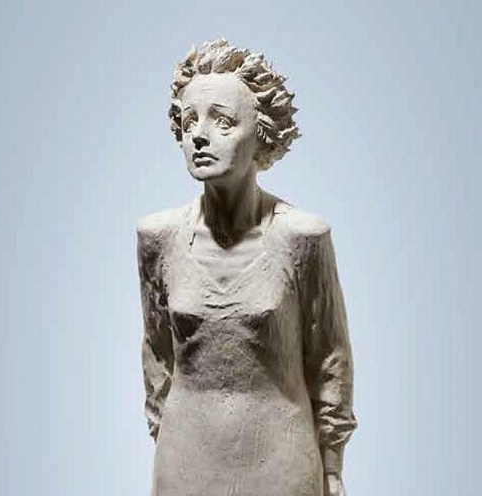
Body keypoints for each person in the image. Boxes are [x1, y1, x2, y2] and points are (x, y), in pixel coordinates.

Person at [137, 39, 357, 496]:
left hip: (281, 455)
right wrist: (164, 437)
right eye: (188, 121)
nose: (199, 135)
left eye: (221, 121)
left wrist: (332, 466)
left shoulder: (303, 238)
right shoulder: (158, 237)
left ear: (261, 132)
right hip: (185, 458)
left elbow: (329, 358)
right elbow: (157, 356)